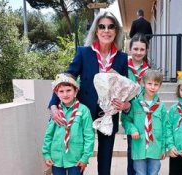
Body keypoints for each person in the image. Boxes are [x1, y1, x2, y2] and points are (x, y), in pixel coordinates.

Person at [48, 11, 131, 175]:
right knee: (78, 154)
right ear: (96, 31)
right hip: (83, 111)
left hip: (109, 112)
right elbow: (67, 77)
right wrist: (53, 104)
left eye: (110, 27)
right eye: (102, 26)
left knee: (106, 157)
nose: (106, 30)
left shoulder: (121, 58)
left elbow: (125, 87)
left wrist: (127, 104)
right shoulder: (84, 53)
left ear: (116, 31)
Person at [42, 73, 95, 175]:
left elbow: (89, 136)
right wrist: (46, 154)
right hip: (56, 158)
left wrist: (85, 158)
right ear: (57, 94)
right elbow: (48, 135)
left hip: (76, 158)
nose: (65, 94)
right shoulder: (56, 113)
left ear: (75, 91)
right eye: (61, 91)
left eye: (68, 90)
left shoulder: (84, 111)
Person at [121, 69, 167, 175]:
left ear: (160, 85)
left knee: (154, 172)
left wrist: (163, 148)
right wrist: (132, 129)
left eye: (156, 84)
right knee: (140, 172)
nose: (152, 87)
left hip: (156, 146)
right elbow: (125, 120)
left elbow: (165, 128)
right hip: (139, 146)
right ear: (143, 83)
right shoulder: (135, 103)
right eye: (149, 83)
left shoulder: (161, 106)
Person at [126, 33, 150, 175]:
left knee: (144, 150)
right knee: (132, 151)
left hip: (144, 113)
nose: (138, 52)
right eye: (135, 49)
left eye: (142, 49)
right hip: (129, 113)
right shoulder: (123, 67)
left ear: (146, 51)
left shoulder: (149, 71)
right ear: (130, 49)